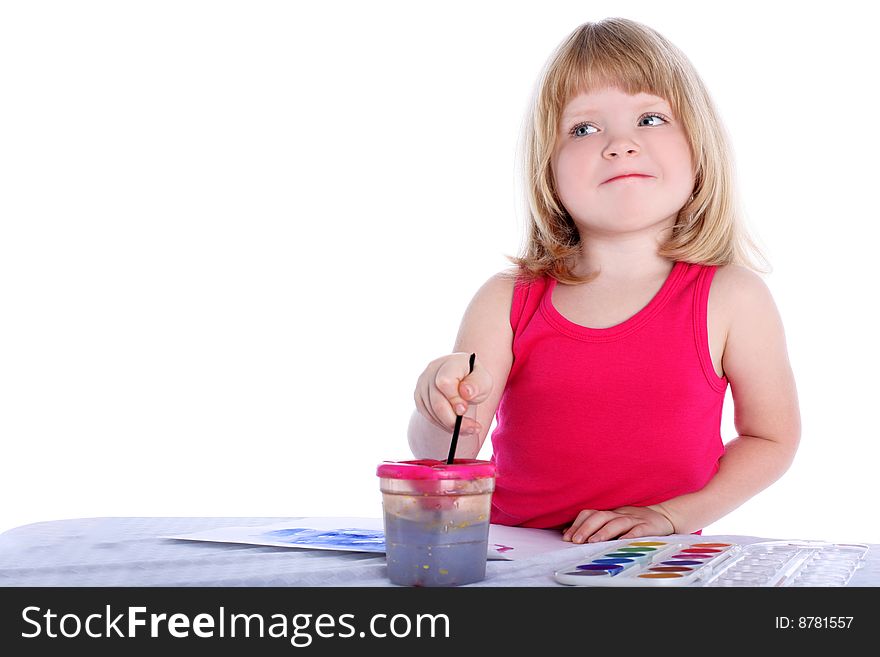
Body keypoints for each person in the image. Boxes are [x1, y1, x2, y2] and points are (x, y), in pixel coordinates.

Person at [407, 18, 801, 544]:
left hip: (655, 559)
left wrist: (673, 515)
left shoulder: (733, 298)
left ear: (699, 146)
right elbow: (451, 454)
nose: (620, 144)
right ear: (548, 169)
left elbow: (771, 437)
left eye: (650, 117)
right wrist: (436, 406)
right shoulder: (506, 300)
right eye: (584, 129)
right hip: (510, 557)